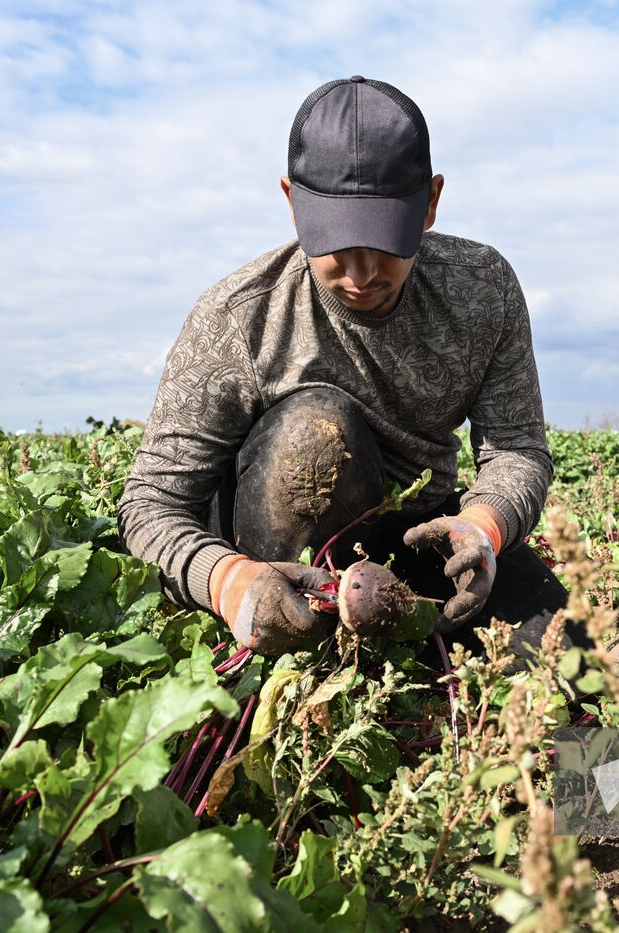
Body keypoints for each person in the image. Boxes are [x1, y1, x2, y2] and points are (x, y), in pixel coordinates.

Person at [118, 76, 568, 656]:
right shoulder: (238, 317)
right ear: (292, 203)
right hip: (280, 559)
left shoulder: (482, 290)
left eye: (385, 243)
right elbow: (152, 505)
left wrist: (482, 526)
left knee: (569, 669)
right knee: (315, 428)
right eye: (334, 244)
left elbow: (517, 448)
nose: (360, 274)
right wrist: (229, 582)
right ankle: (302, 644)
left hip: (416, 542)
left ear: (429, 203)